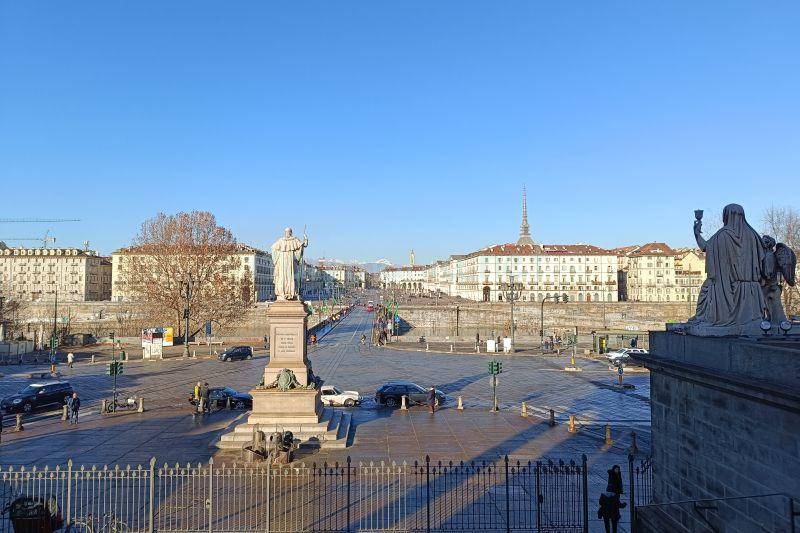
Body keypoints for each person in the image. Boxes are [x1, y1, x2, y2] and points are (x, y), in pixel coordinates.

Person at [598, 465, 626, 533]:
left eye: (618, 469)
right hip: (613, 511)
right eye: (616, 469)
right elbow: (619, 504)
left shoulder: (603, 496)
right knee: (613, 523)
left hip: (606, 513)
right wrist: (624, 504)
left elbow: (601, 503)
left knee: (607, 523)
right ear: (614, 469)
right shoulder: (612, 475)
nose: (617, 470)